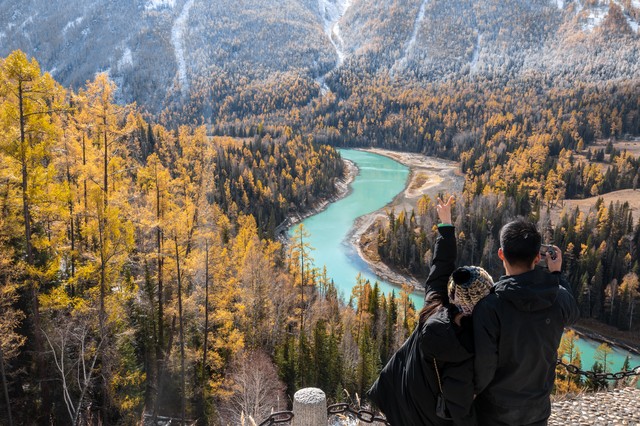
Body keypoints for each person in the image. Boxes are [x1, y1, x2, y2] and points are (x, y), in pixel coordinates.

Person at [368, 196, 494, 425]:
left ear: (453, 293)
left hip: (398, 396)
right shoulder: (467, 348)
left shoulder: (434, 307)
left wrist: (446, 227)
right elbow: (460, 406)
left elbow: (440, 269)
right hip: (426, 418)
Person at [473, 218, 580, 426]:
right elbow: (573, 313)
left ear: (501, 254)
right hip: (537, 408)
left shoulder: (489, 306)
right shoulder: (558, 297)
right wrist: (557, 273)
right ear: (537, 257)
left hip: (495, 411)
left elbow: (484, 366)